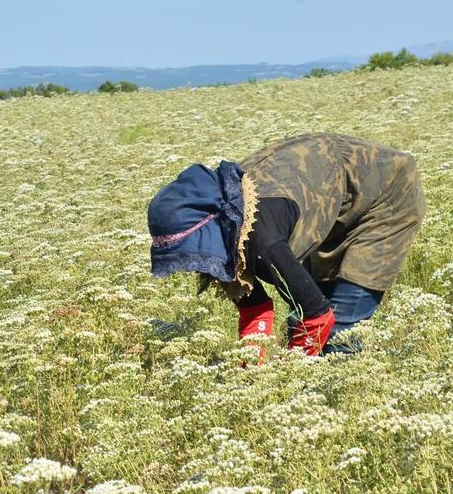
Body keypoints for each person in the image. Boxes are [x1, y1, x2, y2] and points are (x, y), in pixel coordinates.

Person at [147, 132, 426, 357]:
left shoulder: (262, 240)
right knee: (299, 317)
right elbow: (255, 310)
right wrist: (246, 371)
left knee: (340, 332)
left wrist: (287, 377)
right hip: (331, 194)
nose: (190, 264)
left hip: (384, 195)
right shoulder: (224, 223)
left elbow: (318, 316)